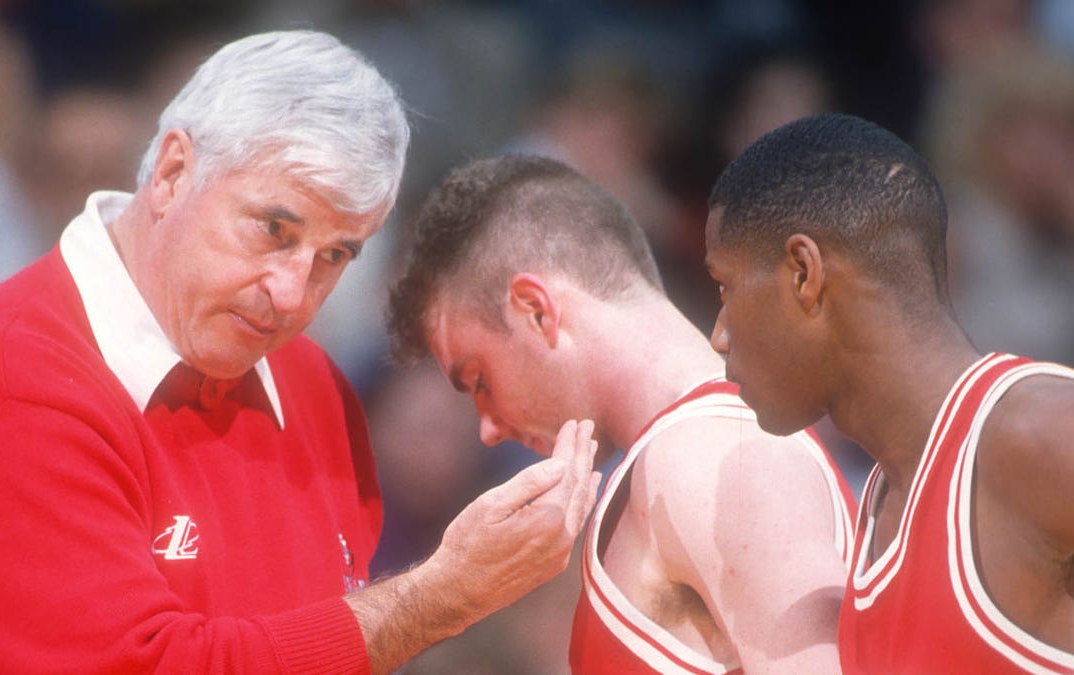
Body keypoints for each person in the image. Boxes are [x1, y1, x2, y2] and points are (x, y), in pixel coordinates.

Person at [0, 31, 600, 674]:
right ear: (170, 173)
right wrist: (443, 595)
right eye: (273, 230)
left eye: (335, 254)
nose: (292, 292)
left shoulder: (312, 381)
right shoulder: (7, 389)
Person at [388, 154, 856, 674]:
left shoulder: (713, 455)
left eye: (479, 381)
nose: (488, 429)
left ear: (536, 309)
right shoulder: (692, 452)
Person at [704, 112, 1074, 673]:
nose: (719, 334)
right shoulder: (884, 505)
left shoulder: (1035, 430)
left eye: (725, 287)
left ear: (804, 272)